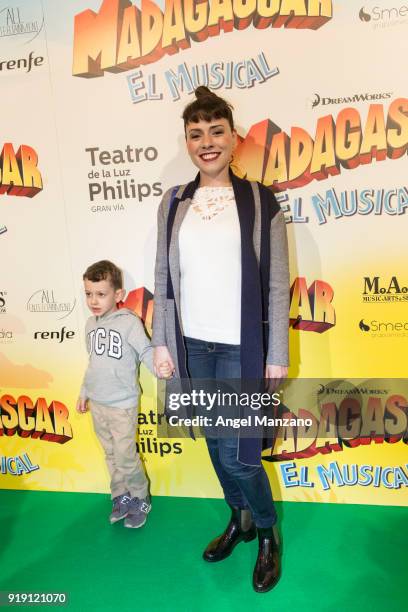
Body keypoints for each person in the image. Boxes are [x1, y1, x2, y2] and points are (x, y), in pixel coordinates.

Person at [152, 87, 290, 592]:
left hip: (242, 348)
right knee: (214, 442)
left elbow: (276, 283)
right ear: (187, 142)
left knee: (240, 454)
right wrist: (162, 343)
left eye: (216, 132)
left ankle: (269, 532)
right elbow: (163, 279)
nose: (207, 143)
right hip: (192, 347)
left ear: (233, 139)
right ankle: (241, 520)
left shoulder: (259, 200)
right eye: (196, 134)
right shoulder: (173, 203)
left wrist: (277, 353)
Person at [77, 260, 172, 528]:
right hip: (98, 403)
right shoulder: (89, 325)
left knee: (125, 455)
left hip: (122, 405)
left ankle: (141, 497)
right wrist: (84, 391)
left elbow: (145, 351)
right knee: (110, 455)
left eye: (101, 294)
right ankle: (120, 496)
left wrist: (160, 367)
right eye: (88, 294)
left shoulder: (129, 323)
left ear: (118, 295)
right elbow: (93, 362)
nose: (93, 300)